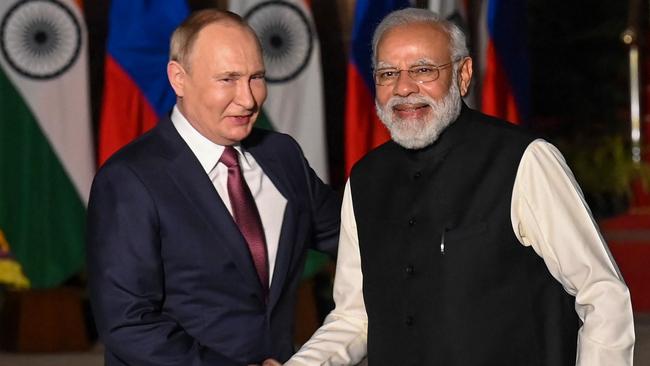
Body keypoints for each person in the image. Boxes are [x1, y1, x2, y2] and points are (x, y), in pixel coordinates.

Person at [284, 7, 635, 366]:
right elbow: (355, 317)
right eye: (388, 73)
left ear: (463, 75)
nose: (404, 88)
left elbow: (603, 294)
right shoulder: (363, 180)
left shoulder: (523, 161)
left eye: (423, 70)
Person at [86, 9, 340, 366]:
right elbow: (127, 322)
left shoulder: (282, 156)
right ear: (178, 79)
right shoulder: (129, 179)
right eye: (228, 79)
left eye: (256, 77)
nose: (249, 99)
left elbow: (354, 236)